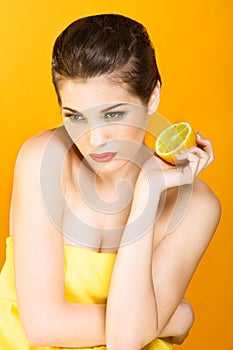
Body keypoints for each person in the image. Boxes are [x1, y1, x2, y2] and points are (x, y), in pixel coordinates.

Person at [0, 14, 221, 350]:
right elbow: (43, 327)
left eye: (113, 114)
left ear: (152, 98)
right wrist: (173, 317)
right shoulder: (43, 159)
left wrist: (147, 195)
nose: (94, 138)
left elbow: (126, 341)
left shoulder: (197, 206)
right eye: (75, 116)